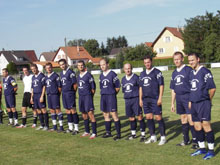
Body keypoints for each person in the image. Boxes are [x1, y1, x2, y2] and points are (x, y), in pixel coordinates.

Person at [188, 53, 216, 160]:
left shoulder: (205, 72)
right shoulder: (191, 73)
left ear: (198, 59)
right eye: (189, 60)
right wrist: (190, 101)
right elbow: (191, 89)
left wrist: (208, 100)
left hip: (203, 103)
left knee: (206, 126)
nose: (191, 62)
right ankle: (202, 148)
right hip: (194, 104)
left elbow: (213, 88)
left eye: (193, 60)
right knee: (197, 127)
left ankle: (211, 151)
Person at [170, 51, 198, 149]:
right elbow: (173, 89)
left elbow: (194, 85)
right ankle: (186, 140)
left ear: (182, 59)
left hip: (188, 96)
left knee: (191, 118)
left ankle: (195, 141)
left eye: (178, 59)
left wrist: (192, 99)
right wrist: (172, 103)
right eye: (175, 59)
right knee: (183, 118)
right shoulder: (174, 73)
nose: (176, 61)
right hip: (179, 98)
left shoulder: (188, 70)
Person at [139, 56, 166, 145]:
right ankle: (153, 136)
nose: (147, 64)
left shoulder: (157, 72)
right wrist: (140, 99)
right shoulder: (142, 74)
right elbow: (141, 87)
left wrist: (160, 97)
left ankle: (163, 137)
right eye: (145, 62)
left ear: (151, 62)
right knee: (149, 117)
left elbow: (161, 85)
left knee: (158, 117)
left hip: (155, 98)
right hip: (146, 99)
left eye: (148, 62)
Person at [121, 63, 146, 142]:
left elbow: (141, 89)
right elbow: (123, 90)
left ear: (131, 69)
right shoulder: (123, 79)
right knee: (131, 117)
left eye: (129, 68)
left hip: (135, 99)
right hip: (127, 100)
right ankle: (133, 134)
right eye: (126, 69)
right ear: (123, 69)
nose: (128, 70)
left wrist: (140, 99)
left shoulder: (136, 77)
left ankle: (143, 134)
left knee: (139, 116)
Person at [99, 59, 121, 141]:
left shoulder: (112, 74)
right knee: (105, 114)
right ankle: (108, 132)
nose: (102, 66)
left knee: (114, 114)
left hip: (111, 96)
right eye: (101, 65)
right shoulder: (101, 75)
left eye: (104, 64)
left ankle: (118, 134)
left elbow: (118, 87)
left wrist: (112, 94)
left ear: (107, 64)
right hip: (103, 96)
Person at [77, 60, 97, 139]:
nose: (80, 66)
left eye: (82, 65)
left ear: (84, 66)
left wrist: (90, 96)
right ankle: (87, 131)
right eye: (79, 65)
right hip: (81, 97)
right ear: (77, 67)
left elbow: (93, 88)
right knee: (84, 114)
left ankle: (94, 132)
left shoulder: (89, 75)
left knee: (90, 114)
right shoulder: (78, 76)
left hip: (88, 96)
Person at [58, 59, 79, 135]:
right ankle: (70, 127)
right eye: (60, 65)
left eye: (63, 64)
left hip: (70, 93)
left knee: (73, 110)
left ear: (66, 64)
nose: (62, 66)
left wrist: (73, 93)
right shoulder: (61, 73)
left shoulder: (70, 72)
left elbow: (75, 84)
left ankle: (76, 128)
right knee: (67, 110)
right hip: (64, 93)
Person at [45, 62, 64, 132]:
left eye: (49, 67)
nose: (48, 69)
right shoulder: (46, 77)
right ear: (45, 69)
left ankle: (61, 127)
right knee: (51, 110)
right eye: (47, 68)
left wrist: (57, 94)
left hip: (55, 95)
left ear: (52, 68)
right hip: (49, 95)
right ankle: (54, 126)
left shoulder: (55, 76)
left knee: (57, 109)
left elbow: (59, 86)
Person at [30, 64, 49, 131]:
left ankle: (46, 126)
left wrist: (42, 96)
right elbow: (32, 88)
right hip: (35, 95)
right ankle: (42, 125)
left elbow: (44, 86)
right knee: (38, 110)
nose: (33, 70)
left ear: (37, 68)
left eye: (34, 68)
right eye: (32, 69)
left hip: (40, 95)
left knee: (43, 110)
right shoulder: (33, 77)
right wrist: (31, 97)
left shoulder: (42, 76)